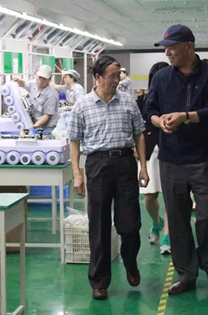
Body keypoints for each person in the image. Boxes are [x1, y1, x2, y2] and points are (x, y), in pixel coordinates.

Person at [146, 24, 208, 295]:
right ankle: (186, 273)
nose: (167, 53)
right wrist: (159, 121)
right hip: (172, 160)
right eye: (165, 48)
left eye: (172, 47)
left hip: (205, 159)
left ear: (189, 47)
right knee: (178, 219)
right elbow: (150, 109)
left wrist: (186, 116)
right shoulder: (161, 78)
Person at [67, 55, 149, 301]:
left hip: (125, 163)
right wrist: (77, 173)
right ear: (98, 77)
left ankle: (130, 262)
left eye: (118, 75)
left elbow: (139, 134)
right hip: (97, 165)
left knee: (130, 224)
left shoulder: (128, 101)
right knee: (99, 226)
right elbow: (74, 140)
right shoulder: (82, 105)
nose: (117, 80)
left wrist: (143, 167)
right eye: (112, 76)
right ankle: (100, 281)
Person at [136, 61, 171, 255]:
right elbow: (135, 128)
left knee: (170, 196)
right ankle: (157, 222)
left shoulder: (175, 99)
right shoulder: (142, 101)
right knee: (149, 198)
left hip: (171, 152)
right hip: (148, 154)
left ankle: (167, 236)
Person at [13, 65, 59, 132]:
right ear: (36, 76)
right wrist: (19, 80)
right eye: (40, 77)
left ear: (49, 79)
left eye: (44, 78)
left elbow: (47, 115)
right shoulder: (33, 84)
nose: (41, 81)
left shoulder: (51, 94)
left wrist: (35, 126)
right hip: (36, 122)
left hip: (47, 127)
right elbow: (24, 84)